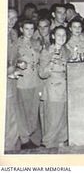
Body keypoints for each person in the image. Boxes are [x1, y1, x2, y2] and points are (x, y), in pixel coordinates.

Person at [38, 26, 71, 148]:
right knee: (52, 124)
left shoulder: (67, 51)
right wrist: (51, 62)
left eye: (64, 35)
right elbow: (42, 74)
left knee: (63, 123)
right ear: (53, 36)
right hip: (53, 92)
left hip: (66, 91)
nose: (61, 38)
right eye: (58, 35)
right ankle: (47, 148)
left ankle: (61, 146)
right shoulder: (46, 51)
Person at [11, 19, 41, 150]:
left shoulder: (36, 43)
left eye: (31, 29)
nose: (29, 31)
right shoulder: (16, 44)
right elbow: (10, 61)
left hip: (36, 81)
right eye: (26, 28)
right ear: (21, 29)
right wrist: (17, 63)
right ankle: (24, 140)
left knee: (33, 111)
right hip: (22, 82)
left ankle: (29, 136)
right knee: (22, 111)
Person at [5, 8, 20, 151]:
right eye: (8, 17)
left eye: (14, 18)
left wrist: (19, 63)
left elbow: (14, 56)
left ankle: (10, 145)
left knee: (12, 111)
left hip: (11, 78)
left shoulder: (14, 34)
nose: (11, 21)